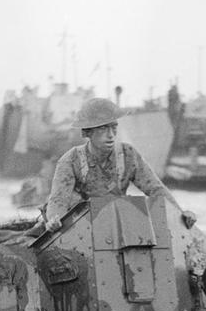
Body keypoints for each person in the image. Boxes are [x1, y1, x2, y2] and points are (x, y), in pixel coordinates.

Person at [44, 98, 196, 231]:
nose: (111, 135)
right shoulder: (71, 160)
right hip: (79, 226)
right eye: (103, 128)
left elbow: (155, 189)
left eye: (114, 127)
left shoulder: (128, 155)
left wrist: (181, 213)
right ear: (87, 133)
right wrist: (53, 220)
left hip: (116, 224)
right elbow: (58, 200)